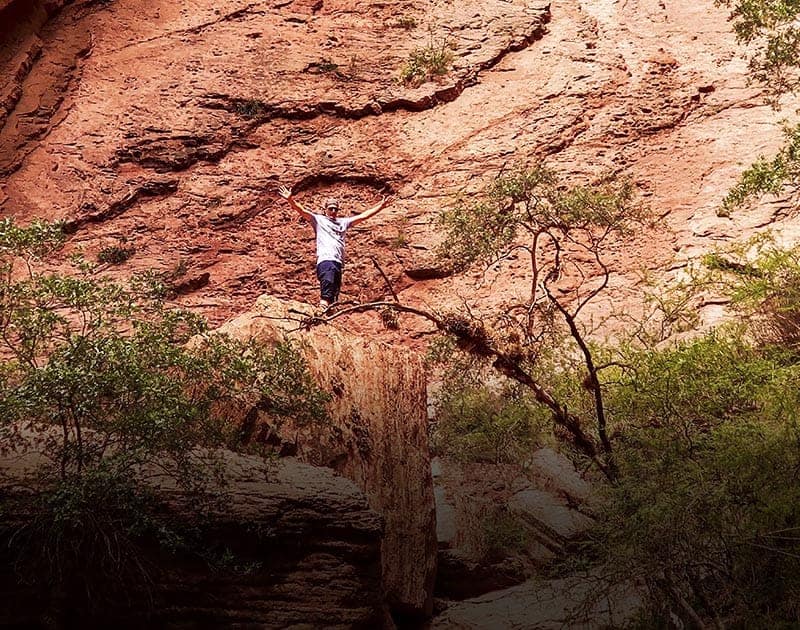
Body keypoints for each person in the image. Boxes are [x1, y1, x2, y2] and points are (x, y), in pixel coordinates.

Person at [277, 185, 391, 312]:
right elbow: (302, 211)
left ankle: (329, 311)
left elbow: (363, 216)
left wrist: (380, 207)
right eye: (330, 208)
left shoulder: (343, 222)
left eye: (335, 209)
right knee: (327, 282)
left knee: (335, 290)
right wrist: (290, 200)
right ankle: (322, 308)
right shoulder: (318, 220)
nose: (333, 211)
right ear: (325, 209)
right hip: (326, 258)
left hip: (338, 261)